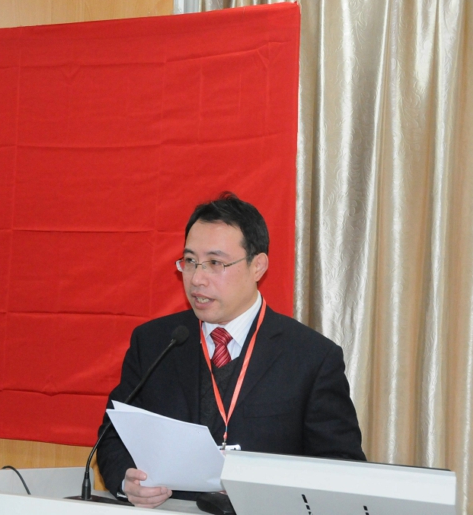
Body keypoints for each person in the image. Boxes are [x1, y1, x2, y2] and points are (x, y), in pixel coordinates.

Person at [96, 192, 365, 508]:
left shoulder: (311, 357)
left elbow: (341, 464)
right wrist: (126, 481)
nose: (197, 279)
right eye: (190, 261)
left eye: (215, 263)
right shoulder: (155, 342)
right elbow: (112, 437)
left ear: (257, 266)